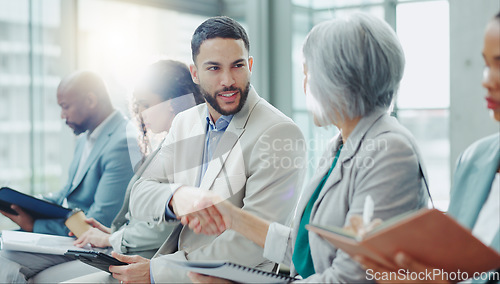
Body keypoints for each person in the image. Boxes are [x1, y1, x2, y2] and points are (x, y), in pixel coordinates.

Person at [185, 12, 430, 283]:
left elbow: (349, 278)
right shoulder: (341, 145)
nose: (305, 86)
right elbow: (307, 250)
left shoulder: (389, 151)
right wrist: (231, 217)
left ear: (339, 81)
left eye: (308, 75)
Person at [66, 16, 307, 283]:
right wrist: (175, 197)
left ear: (249, 65)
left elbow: (252, 243)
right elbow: (140, 193)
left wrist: (158, 271)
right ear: (195, 73)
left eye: (237, 66)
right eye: (214, 68)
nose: (228, 80)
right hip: (168, 266)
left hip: (226, 278)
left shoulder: (279, 133)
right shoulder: (186, 121)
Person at [25, 60, 206, 283]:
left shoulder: (187, 149)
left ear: (171, 103)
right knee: (41, 277)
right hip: (126, 249)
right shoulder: (167, 144)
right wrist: (111, 232)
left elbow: (165, 228)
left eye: (145, 104)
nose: (140, 113)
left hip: (145, 258)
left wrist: (113, 238)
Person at [354, 11, 500, 284]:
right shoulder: (473, 159)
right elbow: (448, 263)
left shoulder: (391, 145)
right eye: (486, 64)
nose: (487, 80)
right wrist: (398, 248)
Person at [0, 71, 141, 283]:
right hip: (66, 232)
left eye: (65, 106)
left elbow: (99, 221)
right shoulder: (86, 138)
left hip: (88, 241)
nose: (62, 115)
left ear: (91, 100)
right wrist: (29, 204)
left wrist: (34, 226)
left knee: (3, 261)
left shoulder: (124, 142)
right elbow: (67, 194)